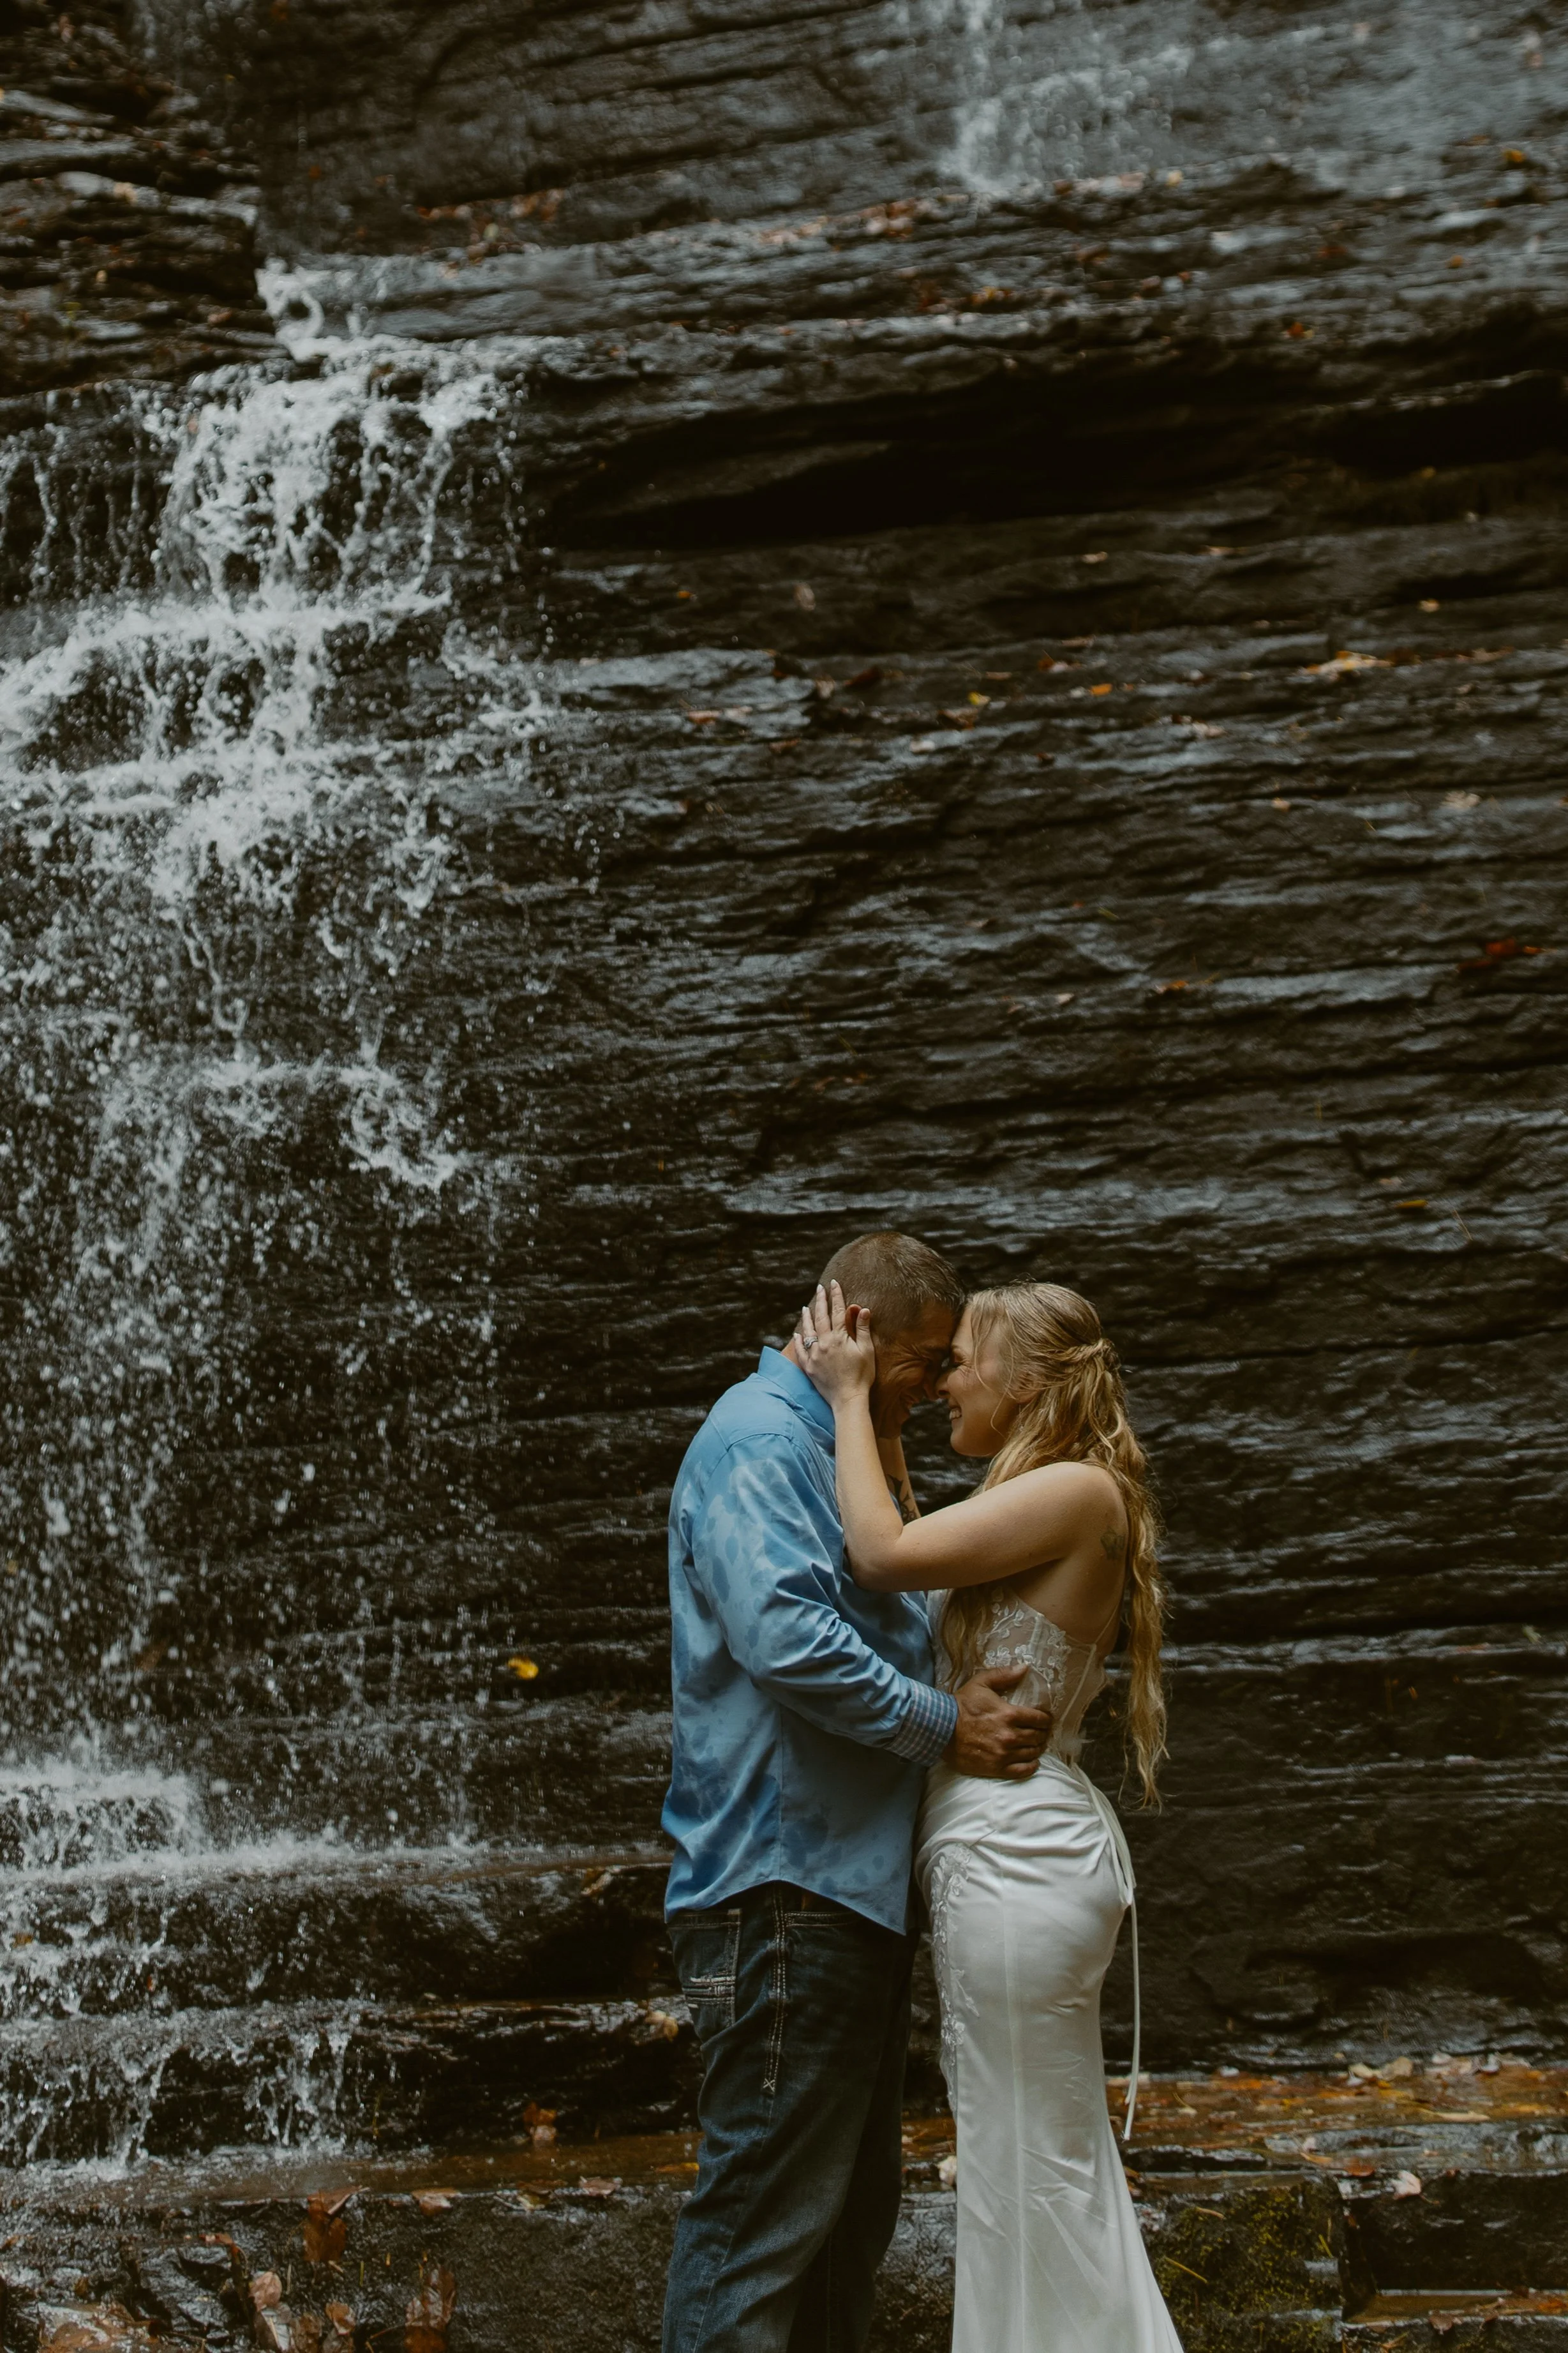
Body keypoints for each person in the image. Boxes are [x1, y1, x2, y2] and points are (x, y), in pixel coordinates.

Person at [661, 1232, 1053, 2353]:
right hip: (784, 1888)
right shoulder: (757, 1440)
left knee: (840, 2228)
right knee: (756, 2230)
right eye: (931, 1362)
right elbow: (789, 1642)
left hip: (840, 1894)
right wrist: (949, 1724)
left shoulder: (838, 1445)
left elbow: (887, 1611)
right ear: (862, 1333)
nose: (941, 1389)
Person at [794, 1275, 1181, 2353]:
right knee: (1024, 2167)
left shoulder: (1079, 1490)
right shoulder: (1048, 1496)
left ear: (1025, 1379)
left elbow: (881, 1556)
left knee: (1034, 2172)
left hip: (1019, 1855)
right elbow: (918, 1572)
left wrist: (845, 1396)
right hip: (1000, 1854)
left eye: (966, 1358)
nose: (949, 1375)